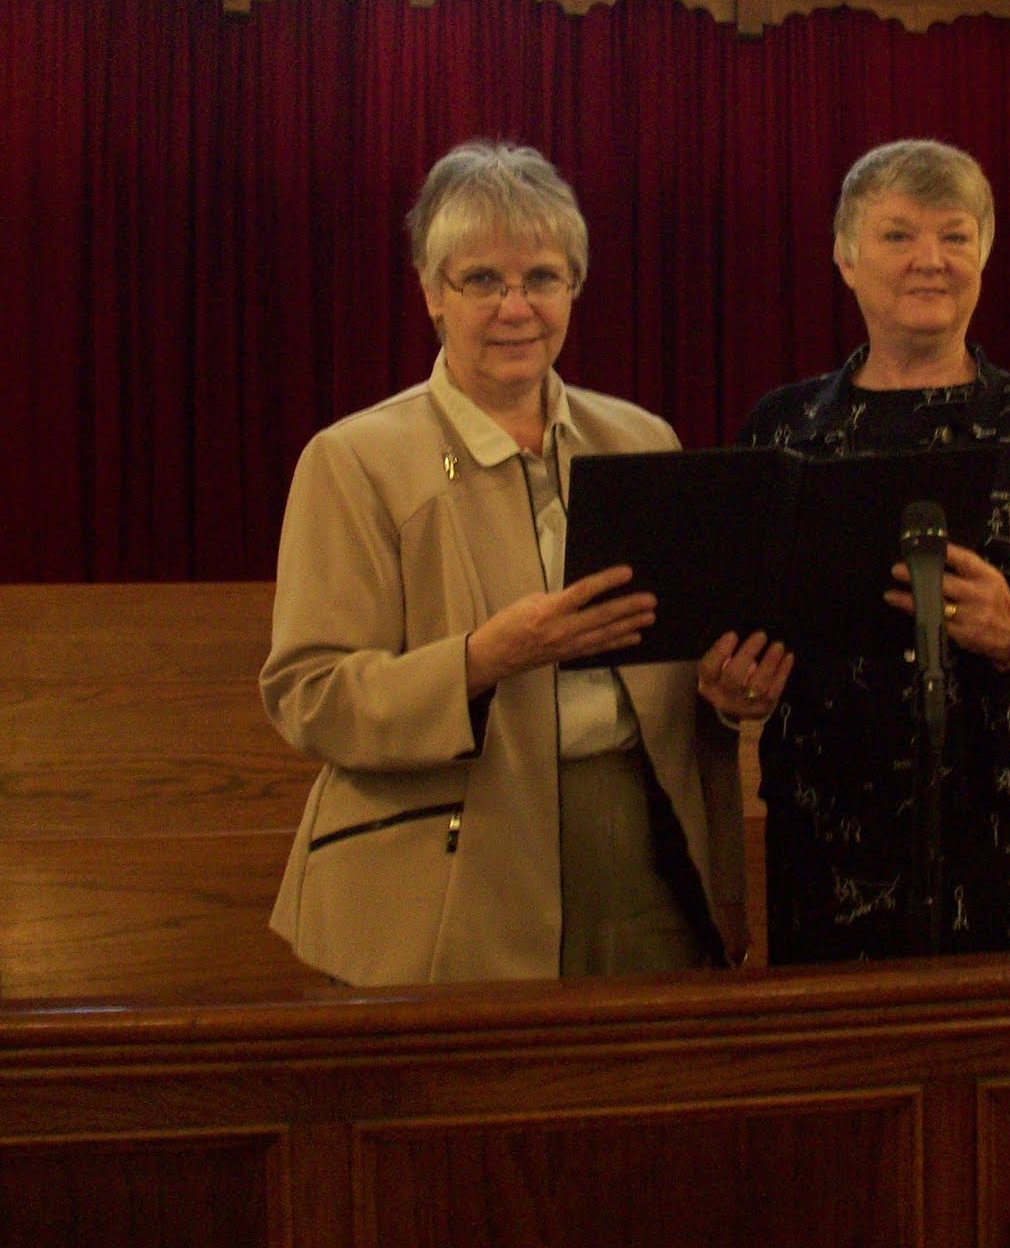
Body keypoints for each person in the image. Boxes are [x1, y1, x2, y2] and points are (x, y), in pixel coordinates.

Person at [262, 140, 792, 986]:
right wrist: (483, 658)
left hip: (647, 851)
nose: (516, 307)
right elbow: (310, 696)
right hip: (453, 876)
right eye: (482, 280)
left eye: (542, 277)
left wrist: (726, 692)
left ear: (574, 287)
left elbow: (678, 665)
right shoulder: (354, 459)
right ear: (432, 293)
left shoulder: (642, 439)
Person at [738, 138, 1010, 965]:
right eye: (898, 234)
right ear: (846, 258)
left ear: (984, 255)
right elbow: (735, 643)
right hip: (833, 844)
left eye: (955, 235)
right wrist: (733, 685)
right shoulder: (782, 430)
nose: (930, 259)